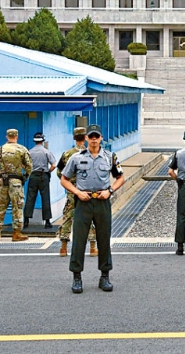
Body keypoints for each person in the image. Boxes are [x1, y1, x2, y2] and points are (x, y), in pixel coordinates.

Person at [60, 124, 125, 293]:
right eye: (91, 136)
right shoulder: (76, 158)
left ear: (101, 138)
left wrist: (110, 191)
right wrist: (77, 192)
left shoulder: (110, 157)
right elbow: (64, 179)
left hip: (102, 201)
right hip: (84, 201)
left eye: (97, 136)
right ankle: (77, 278)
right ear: (86, 138)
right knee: (79, 241)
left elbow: (120, 178)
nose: (94, 139)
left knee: (104, 239)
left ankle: (105, 276)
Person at [56, 127, 98, 258]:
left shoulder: (67, 154)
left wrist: (69, 183)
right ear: (85, 138)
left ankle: (63, 247)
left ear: (74, 138)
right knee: (90, 216)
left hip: (72, 190)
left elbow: (60, 173)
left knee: (68, 216)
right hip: (87, 189)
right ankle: (92, 247)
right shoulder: (91, 153)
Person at [0, 128, 32, 242]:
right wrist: (24, 178)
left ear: (7, 137)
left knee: (0, 206)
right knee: (17, 207)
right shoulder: (22, 149)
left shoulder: (0, 149)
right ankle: (16, 233)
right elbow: (29, 166)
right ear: (16, 136)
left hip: (2, 181)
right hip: (16, 182)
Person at [25, 132, 56, 229]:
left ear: (34, 141)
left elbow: (24, 165)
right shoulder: (46, 151)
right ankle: (47, 221)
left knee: (30, 198)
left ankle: (26, 220)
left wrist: (30, 171)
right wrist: (48, 171)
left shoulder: (29, 152)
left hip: (33, 176)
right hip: (43, 176)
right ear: (43, 140)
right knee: (45, 198)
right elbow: (54, 165)